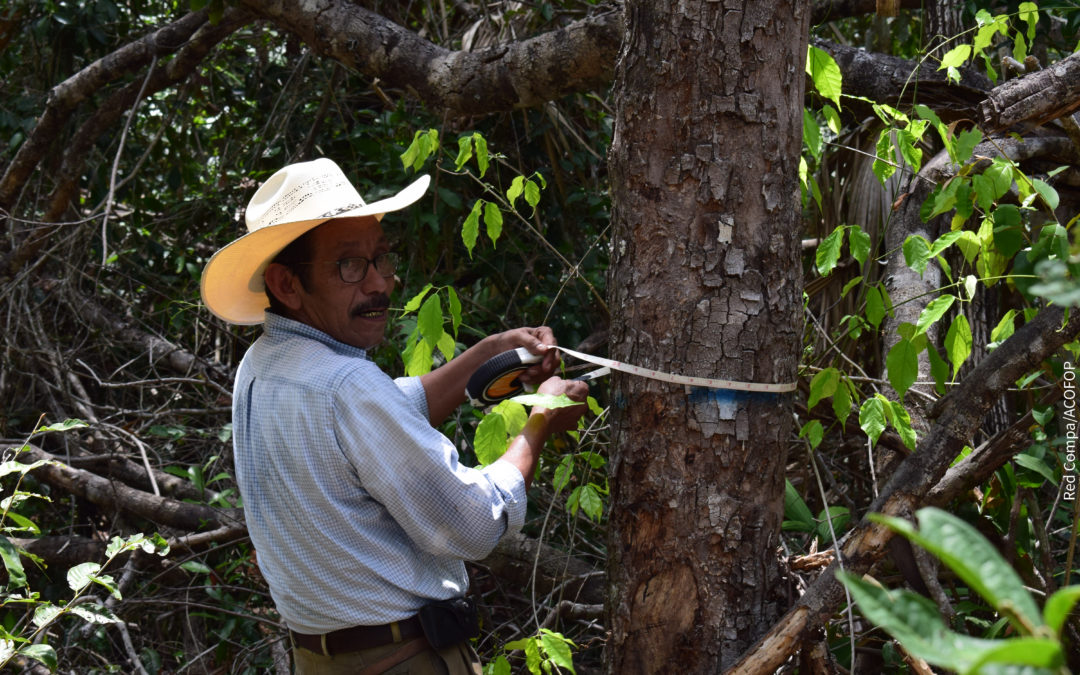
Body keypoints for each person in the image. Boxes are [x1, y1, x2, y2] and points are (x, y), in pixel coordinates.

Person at [200, 158, 589, 674]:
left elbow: (382, 413)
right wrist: (541, 420)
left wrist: (487, 352)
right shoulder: (346, 386)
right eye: (350, 266)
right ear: (287, 284)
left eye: (381, 257)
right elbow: (474, 524)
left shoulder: (264, 364)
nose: (380, 283)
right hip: (400, 661)